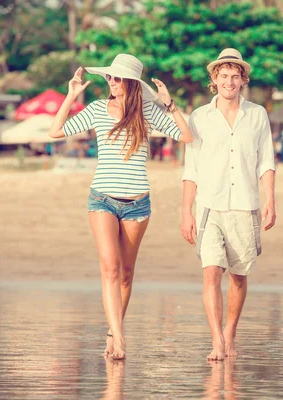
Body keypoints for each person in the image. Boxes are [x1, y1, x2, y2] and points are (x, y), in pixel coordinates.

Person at [49, 54, 193, 361]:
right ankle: (120, 338)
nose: (110, 82)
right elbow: (56, 131)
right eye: (108, 78)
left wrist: (170, 105)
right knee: (110, 269)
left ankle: (113, 333)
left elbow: (186, 136)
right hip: (101, 199)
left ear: (130, 82)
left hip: (138, 204)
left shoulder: (149, 111)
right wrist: (71, 96)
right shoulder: (98, 109)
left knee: (127, 274)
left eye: (116, 78)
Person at [181, 48, 276, 361]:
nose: (229, 81)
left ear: (243, 79)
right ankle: (217, 341)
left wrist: (270, 200)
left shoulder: (257, 115)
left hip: (245, 205)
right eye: (224, 76)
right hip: (209, 206)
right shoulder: (199, 118)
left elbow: (266, 162)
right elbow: (190, 168)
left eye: (235, 76)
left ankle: (230, 334)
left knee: (238, 276)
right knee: (211, 272)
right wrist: (186, 211)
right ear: (214, 79)